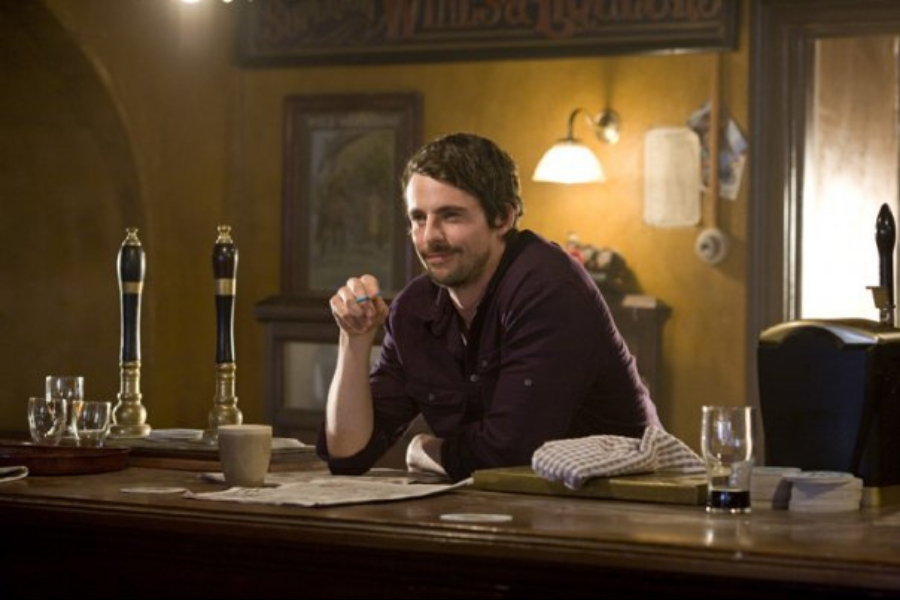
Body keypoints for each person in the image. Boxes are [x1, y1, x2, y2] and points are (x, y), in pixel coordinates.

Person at [317, 132, 660, 482]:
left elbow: (510, 452)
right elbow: (347, 455)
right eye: (419, 218)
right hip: (507, 512)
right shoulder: (414, 309)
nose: (429, 236)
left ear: (503, 218)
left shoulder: (549, 287)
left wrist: (425, 449)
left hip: (617, 509)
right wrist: (354, 340)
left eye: (450, 216)